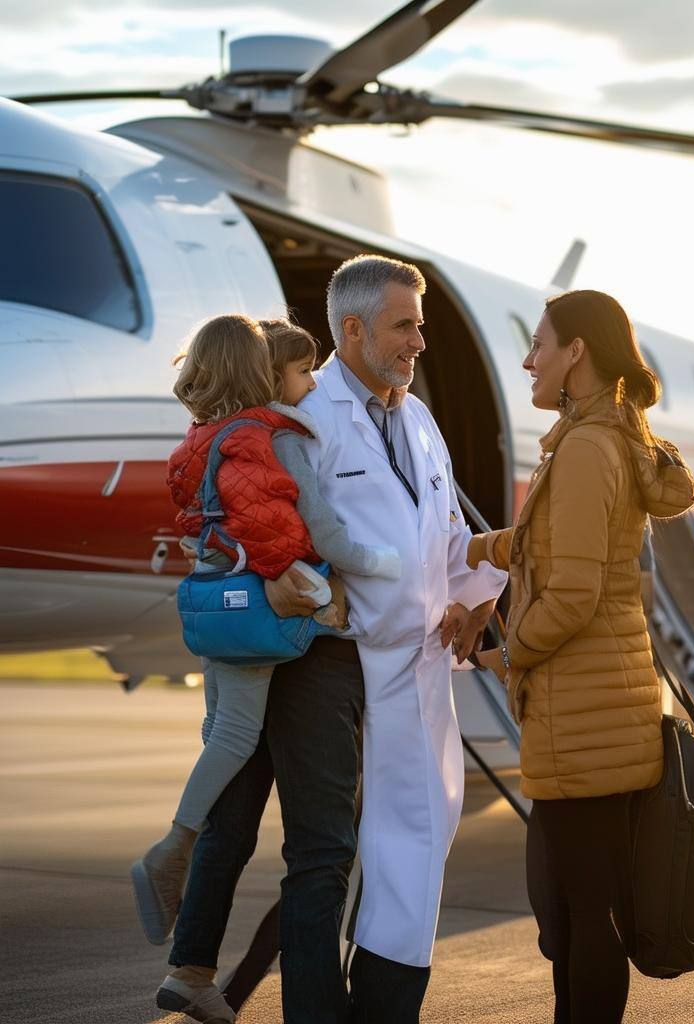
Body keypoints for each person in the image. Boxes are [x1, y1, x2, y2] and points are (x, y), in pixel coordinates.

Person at [160, 258, 506, 1024]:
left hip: (416, 673)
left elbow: (443, 540)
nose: (420, 342)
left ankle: (381, 1005)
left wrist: (479, 593)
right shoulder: (304, 416)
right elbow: (252, 519)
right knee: (331, 854)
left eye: (420, 326)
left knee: (416, 849)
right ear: (351, 330)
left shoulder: (418, 421)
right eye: (404, 326)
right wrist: (296, 584)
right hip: (331, 665)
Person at [470, 290, 694, 1024]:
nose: (529, 358)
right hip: (606, 708)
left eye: (540, 343)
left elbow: (569, 595)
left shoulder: (584, 449)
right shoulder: (603, 439)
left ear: (577, 354)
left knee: (582, 917)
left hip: (581, 717)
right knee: (578, 913)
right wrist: (485, 548)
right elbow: (573, 552)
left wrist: (511, 654)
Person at [133, 315, 401, 949]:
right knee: (233, 738)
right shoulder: (263, 439)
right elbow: (291, 535)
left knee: (218, 736)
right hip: (251, 613)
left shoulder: (202, 436)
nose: (311, 380)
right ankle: (172, 846)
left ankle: (190, 958)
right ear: (258, 371)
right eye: (303, 369)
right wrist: (386, 564)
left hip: (211, 604)